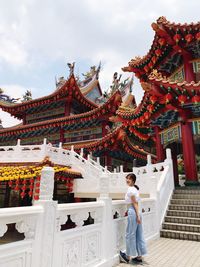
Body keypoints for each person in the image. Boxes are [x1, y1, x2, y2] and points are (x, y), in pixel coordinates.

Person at [120, 173, 147, 264]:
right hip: (137, 212)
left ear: (133, 181)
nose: (127, 180)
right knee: (138, 234)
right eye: (127, 178)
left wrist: (137, 216)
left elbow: (134, 203)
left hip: (133, 211)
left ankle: (127, 256)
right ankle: (139, 256)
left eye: (129, 179)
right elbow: (137, 203)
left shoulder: (131, 189)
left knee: (130, 234)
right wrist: (139, 215)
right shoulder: (135, 189)